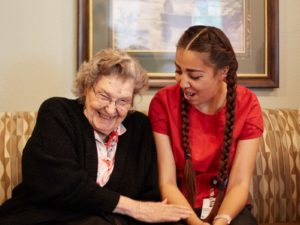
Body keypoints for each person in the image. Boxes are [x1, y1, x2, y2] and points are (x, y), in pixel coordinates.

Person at [0, 48, 191, 225]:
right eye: (104, 96)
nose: (110, 109)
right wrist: (134, 208)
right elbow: (63, 185)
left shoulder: (139, 128)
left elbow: (149, 197)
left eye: (123, 101)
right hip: (44, 218)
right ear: (86, 88)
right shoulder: (58, 113)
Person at [149, 25, 264, 225]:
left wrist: (221, 220)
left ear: (222, 72)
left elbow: (239, 183)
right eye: (178, 71)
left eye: (194, 76)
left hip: (228, 208)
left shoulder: (247, 104)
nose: (183, 82)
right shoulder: (163, 102)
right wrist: (195, 223)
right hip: (179, 208)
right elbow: (167, 183)